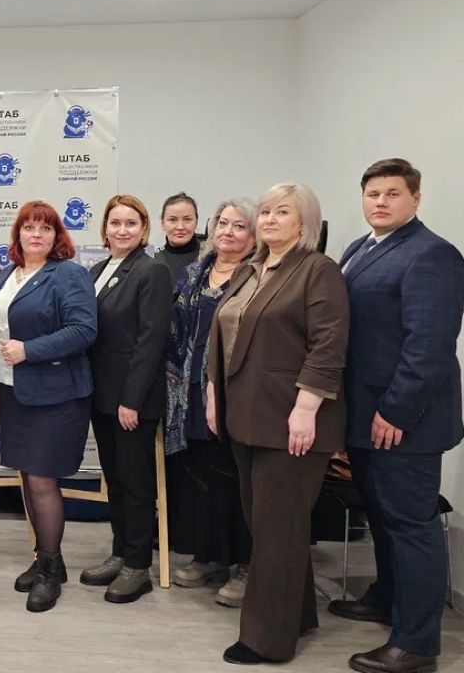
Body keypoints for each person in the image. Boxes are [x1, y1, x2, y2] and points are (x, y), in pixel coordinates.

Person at [329, 159, 464, 673]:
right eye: (373, 194)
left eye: (392, 193)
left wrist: (396, 410)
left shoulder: (432, 254)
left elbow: (429, 347)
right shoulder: (360, 248)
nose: (381, 202)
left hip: (403, 421)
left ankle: (416, 643)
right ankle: (385, 599)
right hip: (364, 416)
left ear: (416, 198)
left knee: (411, 527)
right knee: (382, 519)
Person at [206, 182, 349, 665]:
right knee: (271, 525)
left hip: (291, 421)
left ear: (304, 222)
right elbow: (223, 335)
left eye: (282, 212)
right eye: (265, 211)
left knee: (276, 530)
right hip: (246, 416)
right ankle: (298, 614)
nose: (268, 219)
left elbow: (328, 345)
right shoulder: (252, 268)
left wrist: (306, 410)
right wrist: (213, 394)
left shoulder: (317, 270)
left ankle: (266, 640)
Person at [0, 200, 97, 613]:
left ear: (56, 236)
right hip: (15, 393)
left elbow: (83, 330)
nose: (36, 234)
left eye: (45, 229)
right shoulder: (7, 274)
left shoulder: (68, 274)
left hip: (57, 394)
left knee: (43, 481)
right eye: (29, 227)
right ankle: (48, 559)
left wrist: (29, 350)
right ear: (17, 234)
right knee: (29, 479)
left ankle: (49, 571)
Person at [80, 195, 173, 604]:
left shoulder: (152, 271)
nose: (122, 230)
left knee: (135, 484)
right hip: (101, 397)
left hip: (132, 400)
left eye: (131, 223)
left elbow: (150, 341)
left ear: (144, 229)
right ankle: (119, 553)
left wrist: (131, 399)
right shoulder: (98, 270)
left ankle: (138, 566)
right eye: (115, 223)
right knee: (115, 480)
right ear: (105, 228)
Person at [163, 198, 257, 607]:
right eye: (223, 223)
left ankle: (245, 564)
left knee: (236, 478)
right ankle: (209, 555)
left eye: (239, 226)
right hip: (188, 392)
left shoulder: (258, 276)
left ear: (253, 236)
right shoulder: (193, 273)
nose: (228, 232)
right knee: (200, 476)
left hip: (235, 391)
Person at [158, 192, 201, 285]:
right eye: (173, 220)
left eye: (187, 219)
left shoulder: (211, 257)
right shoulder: (152, 261)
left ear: (196, 222)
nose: (180, 227)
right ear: (162, 224)